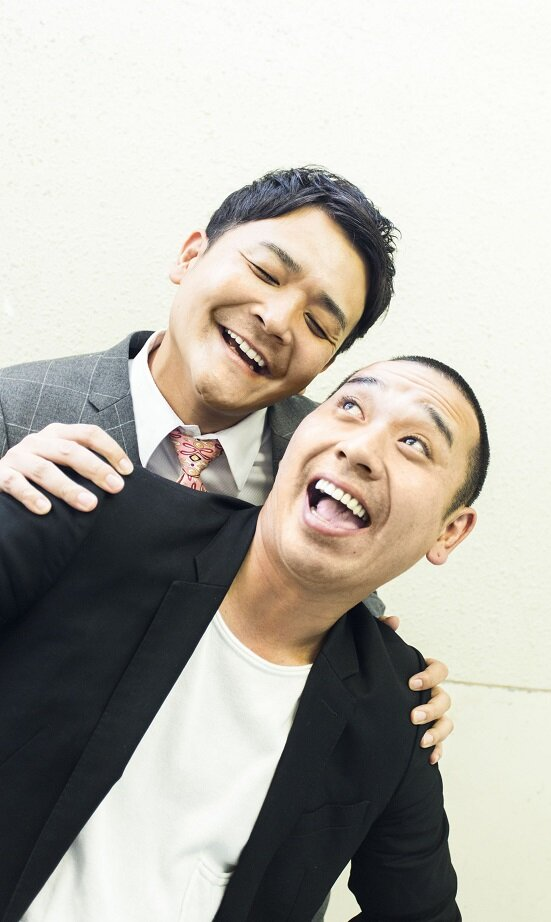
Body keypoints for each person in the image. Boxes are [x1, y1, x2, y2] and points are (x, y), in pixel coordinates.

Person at [0, 356, 489, 922]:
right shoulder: (89, 509)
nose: (359, 449)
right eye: (351, 406)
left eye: (414, 443)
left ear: (449, 532)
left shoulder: (396, 708)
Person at [0, 167, 453, 758]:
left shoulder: (334, 468)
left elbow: (340, 651)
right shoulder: (13, 412)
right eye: (265, 272)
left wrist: (396, 693)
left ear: (326, 363)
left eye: (318, 324)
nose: (277, 320)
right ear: (191, 256)